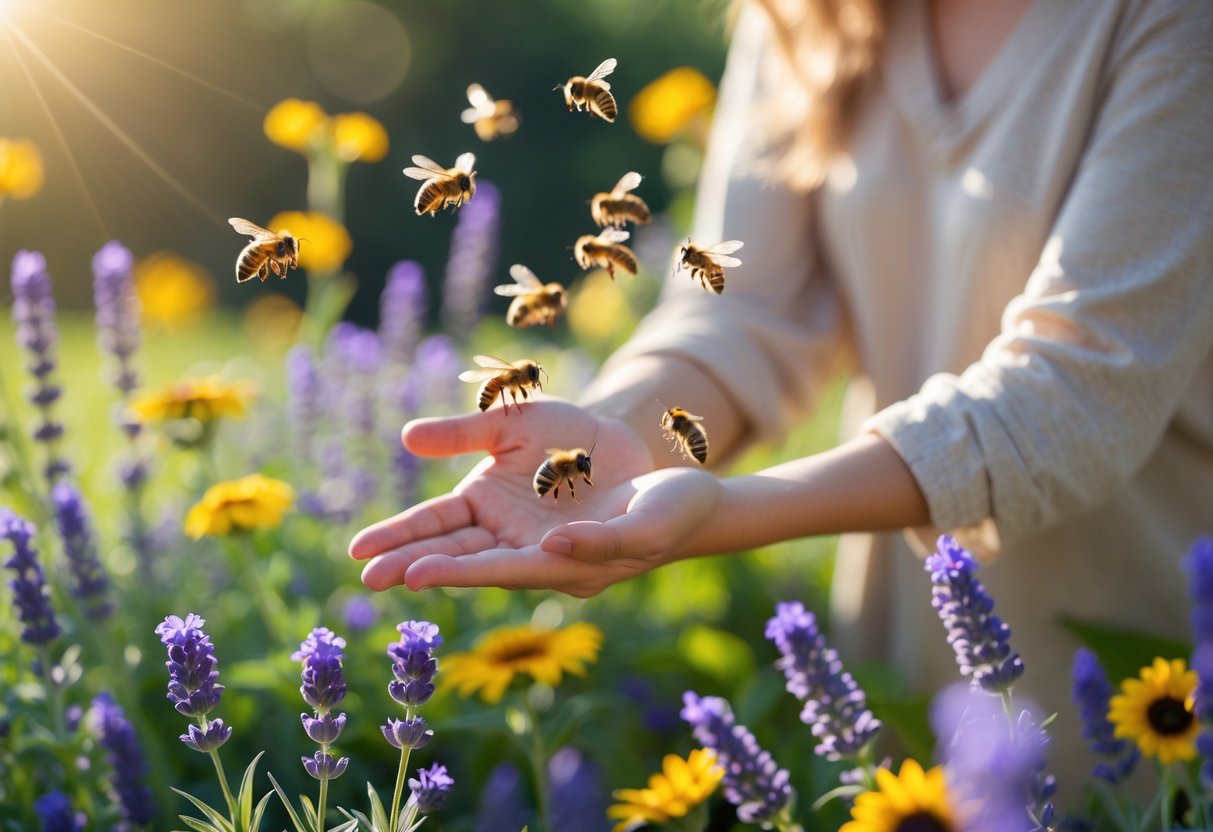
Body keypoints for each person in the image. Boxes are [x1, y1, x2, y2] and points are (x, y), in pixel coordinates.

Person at [352, 0, 1213, 781]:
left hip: (1159, 716)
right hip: (900, 707)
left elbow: (1072, 394)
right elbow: (742, 312)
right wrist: (602, 441)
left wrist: (725, 511)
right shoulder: (807, 15)